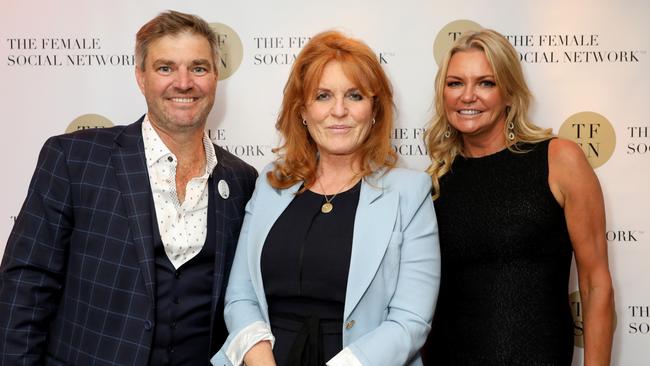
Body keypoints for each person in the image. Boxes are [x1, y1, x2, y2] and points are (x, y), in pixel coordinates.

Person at [0, 10, 257, 365]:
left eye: (198, 68)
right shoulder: (76, 159)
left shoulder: (243, 180)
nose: (184, 82)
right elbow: (27, 284)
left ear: (215, 77)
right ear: (141, 77)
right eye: (165, 68)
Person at [210, 31, 441, 366]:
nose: (339, 111)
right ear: (303, 111)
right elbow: (239, 296)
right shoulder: (271, 183)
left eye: (354, 96)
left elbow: (410, 323)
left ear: (374, 109)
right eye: (322, 96)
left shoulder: (410, 193)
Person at [422, 29, 614, 365]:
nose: (468, 96)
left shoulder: (558, 159)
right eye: (455, 83)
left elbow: (595, 284)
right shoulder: (435, 181)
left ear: (509, 93)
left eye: (486, 82)